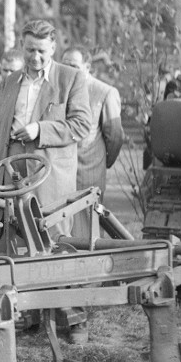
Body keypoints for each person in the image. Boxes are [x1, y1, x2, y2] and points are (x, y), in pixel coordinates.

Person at [0, 19, 91, 237]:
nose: (35, 57)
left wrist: (40, 129)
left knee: (51, 234)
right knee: (10, 233)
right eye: (30, 50)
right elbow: (0, 131)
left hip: (49, 174)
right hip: (11, 169)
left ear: (53, 48)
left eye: (41, 51)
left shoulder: (71, 78)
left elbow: (82, 124)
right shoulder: (10, 80)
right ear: (22, 45)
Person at [61, 46, 125, 239]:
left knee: (89, 234)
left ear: (87, 67)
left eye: (73, 65)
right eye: (64, 65)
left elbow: (115, 137)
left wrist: (100, 163)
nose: (68, 70)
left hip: (88, 174)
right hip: (60, 174)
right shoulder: (59, 89)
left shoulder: (104, 92)